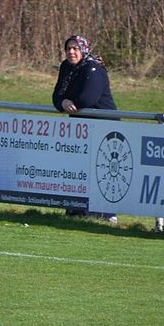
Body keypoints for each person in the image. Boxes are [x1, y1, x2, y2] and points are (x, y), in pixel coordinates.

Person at [52, 34, 118, 223]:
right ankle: (77, 208)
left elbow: (88, 98)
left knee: (101, 170)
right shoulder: (66, 67)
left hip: (103, 125)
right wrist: (63, 102)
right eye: (68, 48)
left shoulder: (94, 68)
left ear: (83, 49)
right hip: (81, 127)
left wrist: (69, 100)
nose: (71, 52)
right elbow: (57, 95)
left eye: (75, 48)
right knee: (78, 168)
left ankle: (107, 214)